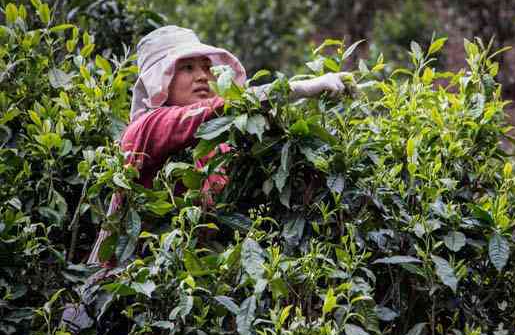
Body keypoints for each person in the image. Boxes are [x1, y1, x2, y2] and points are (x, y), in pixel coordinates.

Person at [87, 25, 353, 267]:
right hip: (131, 285)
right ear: (160, 80)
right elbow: (216, 109)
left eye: (206, 67)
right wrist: (302, 88)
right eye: (188, 68)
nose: (203, 76)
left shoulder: (220, 143)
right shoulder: (147, 127)